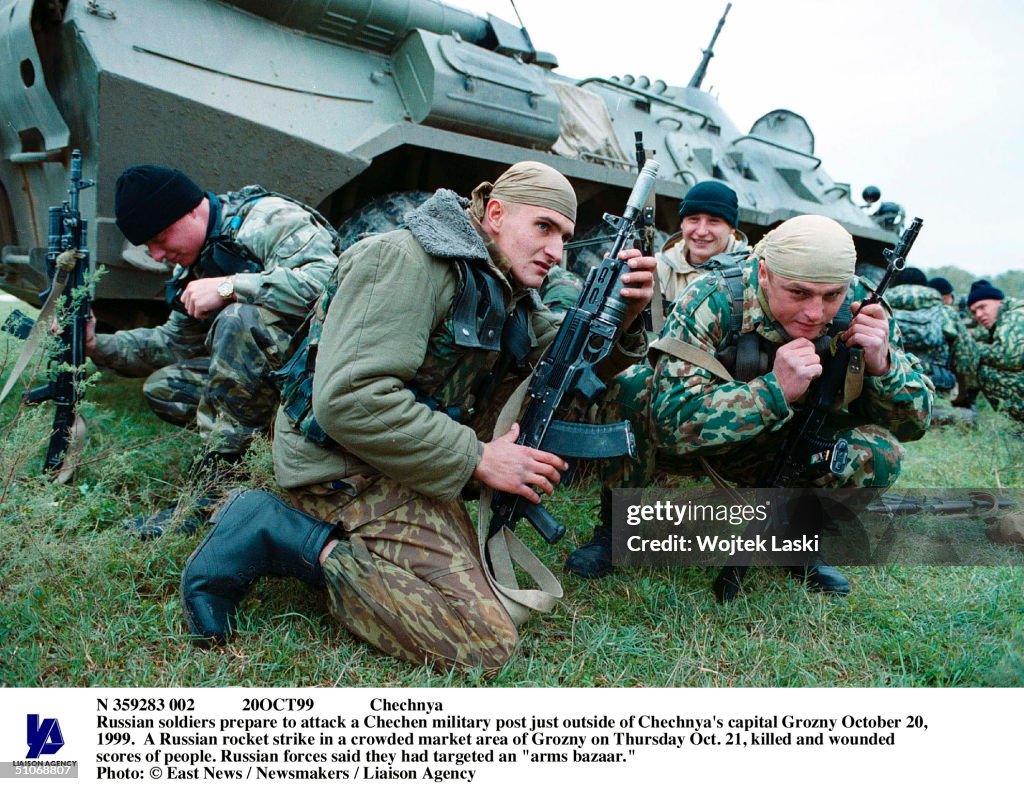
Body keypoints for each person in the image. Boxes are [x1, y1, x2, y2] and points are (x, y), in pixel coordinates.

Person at [180, 162, 656, 671]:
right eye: (543, 227)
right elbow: (350, 399)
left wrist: (621, 318)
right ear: (495, 213)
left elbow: (560, 359)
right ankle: (278, 533)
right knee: (484, 642)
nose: (557, 251)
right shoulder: (404, 262)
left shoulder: (498, 279)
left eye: (564, 236)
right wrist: (477, 458)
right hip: (342, 467)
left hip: (405, 458)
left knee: (489, 594)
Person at [567, 215, 933, 590]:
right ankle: (615, 530)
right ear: (763, 273)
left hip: (792, 447)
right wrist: (774, 391)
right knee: (632, 387)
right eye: (798, 293)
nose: (815, 313)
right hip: (703, 445)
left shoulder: (863, 306)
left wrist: (883, 365)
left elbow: (914, 426)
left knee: (881, 452)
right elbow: (669, 423)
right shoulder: (714, 299)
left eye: (832, 295)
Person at [87, 165, 340, 534]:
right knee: (165, 387)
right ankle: (265, 446)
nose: (156, 255)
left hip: (326, 369)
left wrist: (229, 287)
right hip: (278, 375)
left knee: (238, 318)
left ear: (191, 210)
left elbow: (331, 283)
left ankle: (214, 490)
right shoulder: (195, 261)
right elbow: (172, 345)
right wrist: (96, 345)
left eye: (160, 238)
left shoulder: (268, 219)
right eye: (149, 247)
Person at [888, 268, 971, 425]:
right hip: (938, 390)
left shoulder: (880, 308)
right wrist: (962, 395)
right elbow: (966, 358)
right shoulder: (945, 312)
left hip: (888, 388)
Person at [654, 180, 748, 310]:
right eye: (693, 219)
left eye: (714, 221)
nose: (701, 231)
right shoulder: (660, 267)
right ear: (682, 224)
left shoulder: (751, 269)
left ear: (732, 228)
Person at [954, 280, 1024, 423]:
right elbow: (982, 334)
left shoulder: (1014, 315)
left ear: (999, 301)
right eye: (974, 312)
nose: (979, 314)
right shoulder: (1005, 317)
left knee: (985, 371)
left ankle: (1018, 425)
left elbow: (1010, 357)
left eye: (982, 307)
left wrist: (975, 348)